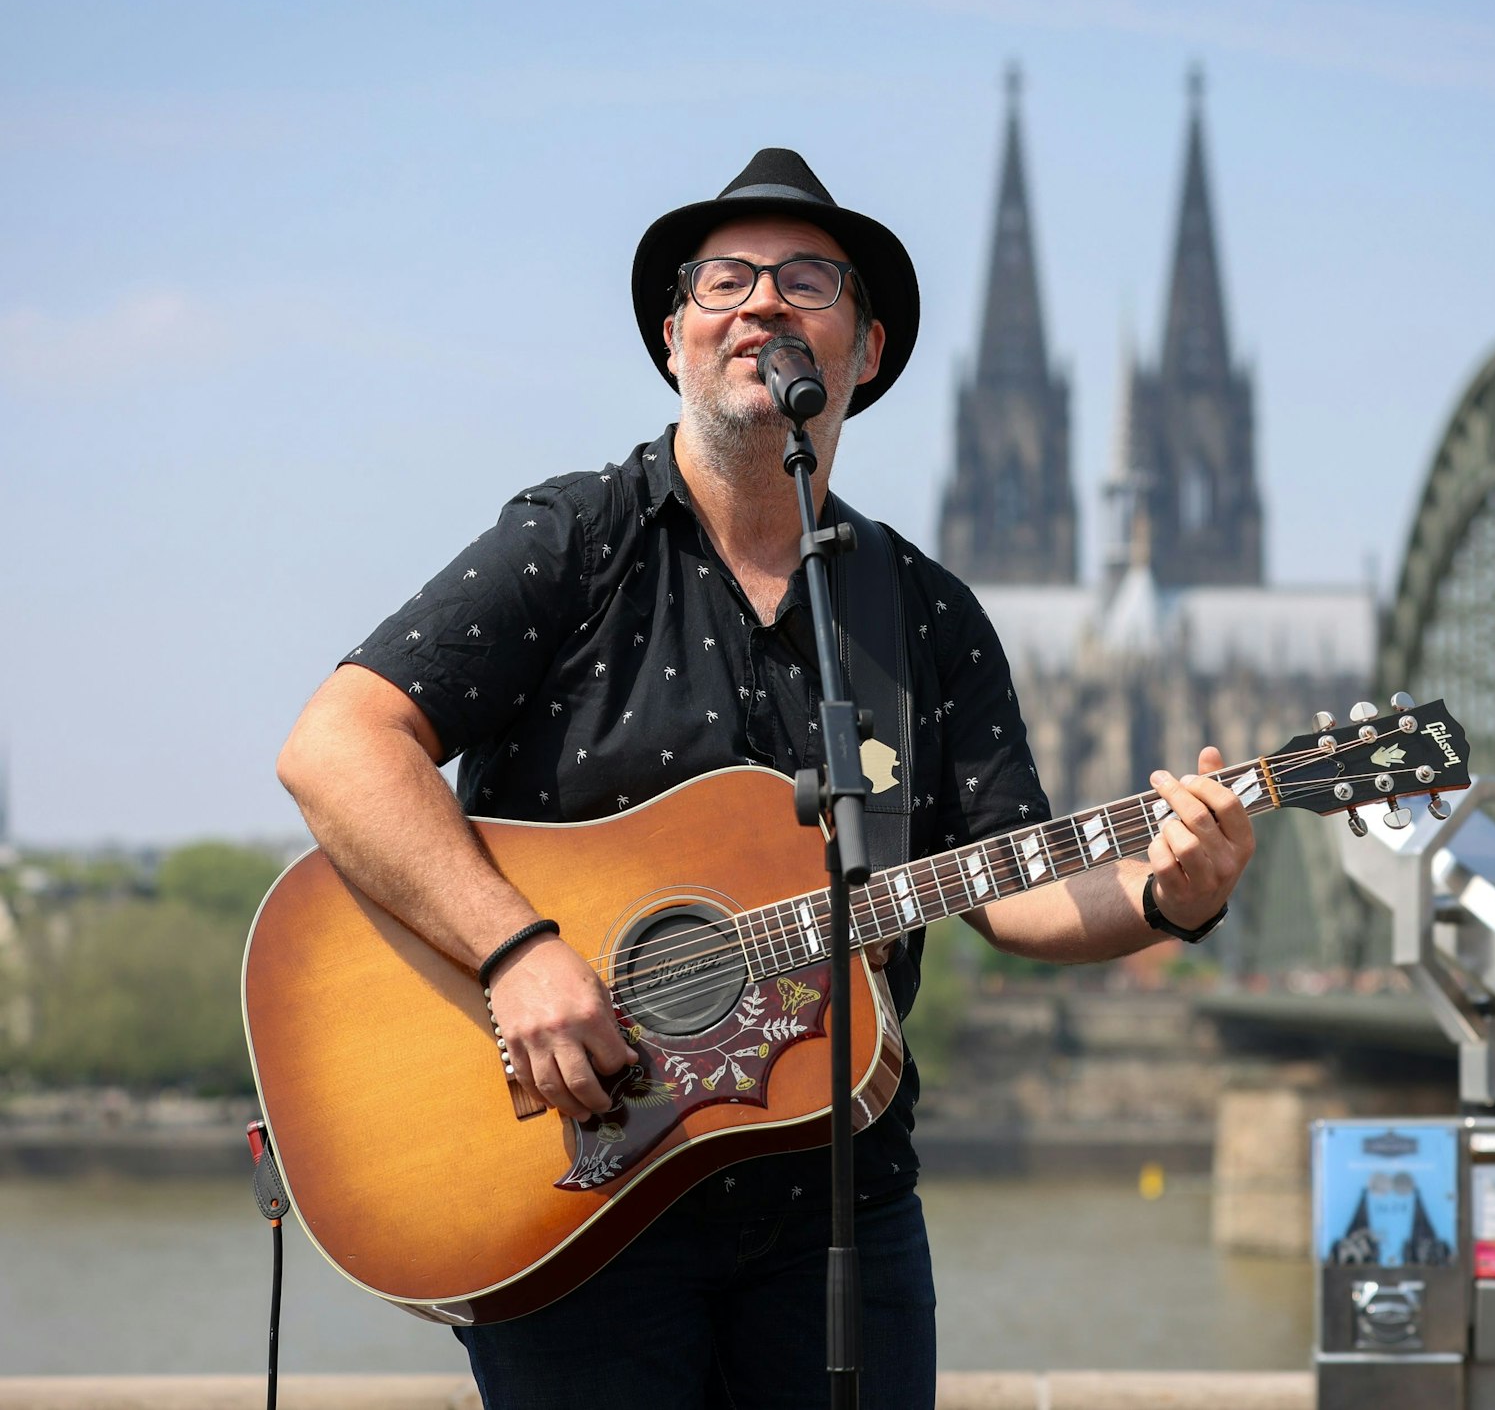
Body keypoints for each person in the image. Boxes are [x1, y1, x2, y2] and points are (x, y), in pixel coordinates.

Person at [275, 148, 1255, 1409]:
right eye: (723, 279)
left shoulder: (923, 609)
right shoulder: (572, 543)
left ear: (866, 350)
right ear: (672, 336)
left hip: (837, 1206)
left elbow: (1008, 881)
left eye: (805, 280)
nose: (761, 305)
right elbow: (337, 746)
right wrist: (517, 952)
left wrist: (1174, 896)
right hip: (580, 1193)